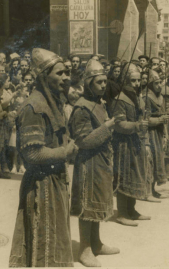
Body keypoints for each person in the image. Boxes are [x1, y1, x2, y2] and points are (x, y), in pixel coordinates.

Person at [9, 48, 77, 267]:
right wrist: (64, 152)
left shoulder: (54, 101)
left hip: (54, 181)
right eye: (59, 73)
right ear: (44, 76)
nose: (66, 77)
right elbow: (32, 152)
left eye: (67, 73)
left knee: (55, 241)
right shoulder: (34, 107)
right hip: (41, 186)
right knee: (43, 245)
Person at [68, 60, 119, 267]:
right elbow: (83, 141)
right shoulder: (81, 107)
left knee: (98, 201)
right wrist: (107, 127)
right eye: (99, 82)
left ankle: (96, 243)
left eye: (105, 81)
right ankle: (85, 248)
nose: (103, 85)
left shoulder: (99, 102)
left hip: (101, 160)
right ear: (89, 83)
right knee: (88, 205)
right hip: (88, 163)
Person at [112, 63, 151, 227]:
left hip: (135, 141)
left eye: (138, 80)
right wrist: (136, 126)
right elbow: (118, 124)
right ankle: (122, 212)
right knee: (124, 176)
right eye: (133, 81)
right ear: (125, 81)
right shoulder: (120, 99)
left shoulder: (137, 98)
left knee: (135, 174)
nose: (136, 84)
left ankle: (132, 210)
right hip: (123, 144)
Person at [144, 70, 169, 196]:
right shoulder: (146, 97)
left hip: (159, 132)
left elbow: (164, 114)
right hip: (150, 133)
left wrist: (165, 133)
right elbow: (145, 119)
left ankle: (153, 189)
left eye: (160, 82)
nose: (159, 85)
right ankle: (148, 190)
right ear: (150, 85)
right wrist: (159, 120)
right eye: (156, 83)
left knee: (158, 159)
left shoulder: (161, 97)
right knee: (151, 160)